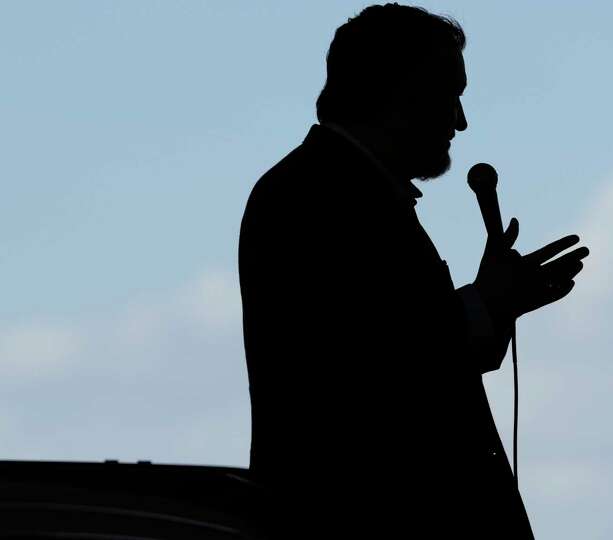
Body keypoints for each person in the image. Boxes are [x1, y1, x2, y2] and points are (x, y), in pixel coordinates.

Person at [238, 4, 589, 537]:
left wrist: (494, 305)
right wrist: (487, 304)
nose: (461, 121)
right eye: (453, 95)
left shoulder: (330, 190)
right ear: (401, 91)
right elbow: (373, 369)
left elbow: (405, 352)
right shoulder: (316, 197)